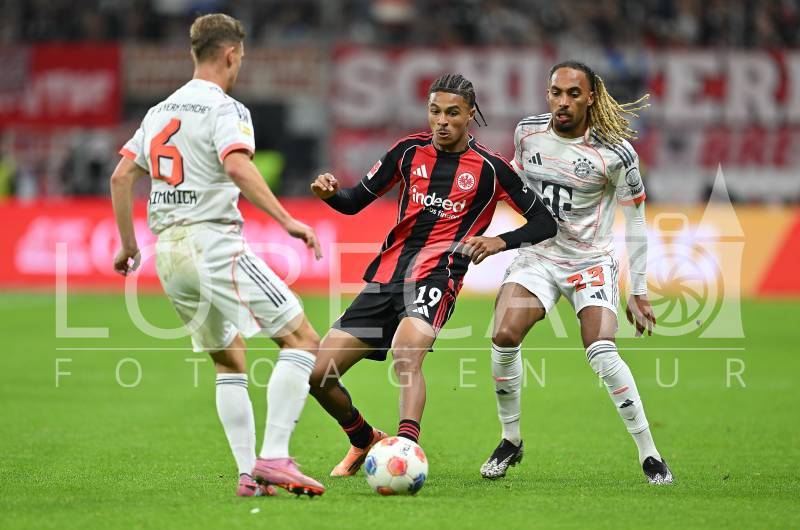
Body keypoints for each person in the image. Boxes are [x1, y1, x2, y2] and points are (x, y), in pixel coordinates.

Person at [110, 13, 325, 497]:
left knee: (229, 359)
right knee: (303, 340)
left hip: (168, 253)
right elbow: (237, 166)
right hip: (213, 243)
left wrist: (128, 244)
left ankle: (249, 475)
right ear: (230, 54)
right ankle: (275, 456)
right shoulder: (227, 108)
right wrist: (287, 220)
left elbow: (121, 177)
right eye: (240, 58)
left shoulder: (158, 111)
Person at [308, 73, 557, 477]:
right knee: (319, 376)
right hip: (387, 277)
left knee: (407, 355)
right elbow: (354, 202)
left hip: (438, 277)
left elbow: (544, 222)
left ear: (470, 115)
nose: (442, 121)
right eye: (435, 111)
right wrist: (331, 195)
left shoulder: (491, 169)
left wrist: (499, 241)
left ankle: (406, 450)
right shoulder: (407, 152)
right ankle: (364, 438)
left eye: (453, 113)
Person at [479, 60, 673, 485]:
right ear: (547, 94)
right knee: (504, 334)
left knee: (601, 349)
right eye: (556, 92)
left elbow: (636, 221)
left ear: (590, 97)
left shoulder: (617, 152)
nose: (563, 102)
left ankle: (650, 453)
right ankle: (510, 439)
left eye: (573, 93)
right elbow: (512, 186)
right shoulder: (527, 133)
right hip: (540, 256)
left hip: (590, 261)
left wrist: (638, 288)